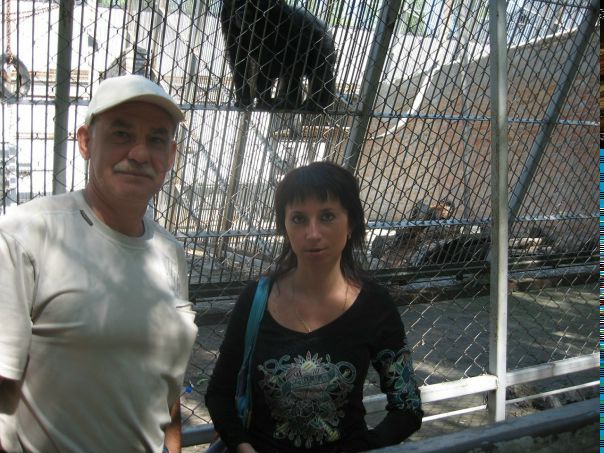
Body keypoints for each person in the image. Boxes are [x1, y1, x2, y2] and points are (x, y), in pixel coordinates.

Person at [0, 74, 198, 453]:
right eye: (121, 134)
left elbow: (166, 387)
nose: (139, 154)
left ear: (171, 156)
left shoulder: (169, 251)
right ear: (86, 142)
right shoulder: (26, 235)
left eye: (156, 139)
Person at [205, 162, 423, 453]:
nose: (312, 233)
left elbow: (407, 407)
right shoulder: (255, 299)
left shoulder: (375, 305)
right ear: (284, 226)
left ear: (351, 223)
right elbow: (219, 393)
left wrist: (364, 447)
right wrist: (243, 447)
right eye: (298, 218)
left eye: (327, 216)